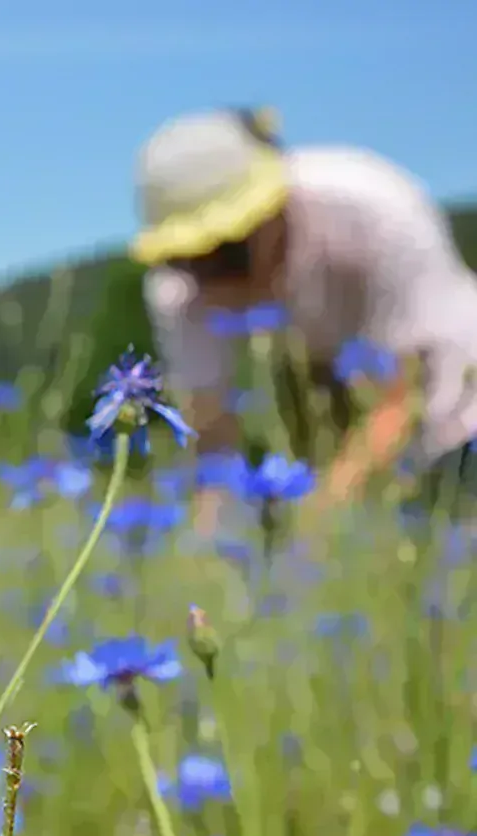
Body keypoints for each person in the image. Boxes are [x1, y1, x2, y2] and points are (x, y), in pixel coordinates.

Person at [132, 106, 477, 532]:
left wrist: (318, 521)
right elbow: (213, 441)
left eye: (228, 253)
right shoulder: (177, 289)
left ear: (273, 207)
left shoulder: (374, 206)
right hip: (325, 396)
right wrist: (207, 548)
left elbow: (405, 391)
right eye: (190, 261)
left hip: (454, 393)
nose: (217, 281)